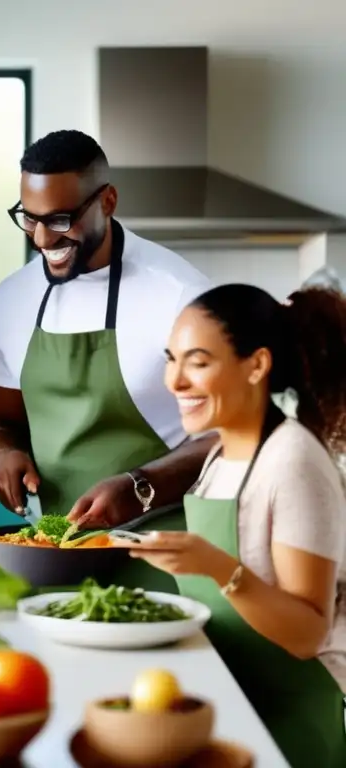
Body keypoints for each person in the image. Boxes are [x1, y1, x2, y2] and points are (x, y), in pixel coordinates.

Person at [118, 283, 346, 767]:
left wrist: (221, 569)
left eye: (197, 362)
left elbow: (308, 632)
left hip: (287, 717)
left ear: (257, 366)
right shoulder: (220, 455)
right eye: (171, 359)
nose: (174, 381)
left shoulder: (293, 461)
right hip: (231, 698)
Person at [0, 129, 214, 591]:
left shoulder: (181, 296)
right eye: (30, 219)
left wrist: (140, 485)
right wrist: (3, 454)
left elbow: (232, 436)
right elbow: (0, 421)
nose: (43, 238)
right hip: (55, 552)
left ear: (107, 201)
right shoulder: (12, 299)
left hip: (164, 551)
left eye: (61, 219)